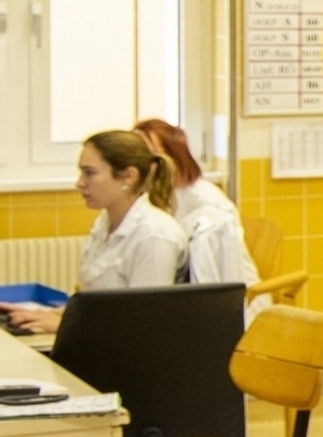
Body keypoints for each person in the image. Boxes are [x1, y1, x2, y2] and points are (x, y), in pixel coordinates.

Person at [2, 130, 189, 333]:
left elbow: (145, 325)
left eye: (89, 172)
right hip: (103, 346)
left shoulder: (154, 236)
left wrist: (66, 326)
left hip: (131, 359)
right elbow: (103, 306)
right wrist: (48, 314)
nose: (80, 183)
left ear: (129, 176)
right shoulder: (105, 222)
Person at [135, 117, 261, 287]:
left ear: (171, 157)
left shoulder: (207, 201)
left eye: (146, 154)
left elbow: (212, 272)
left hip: (233, 296)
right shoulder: (152, 194)